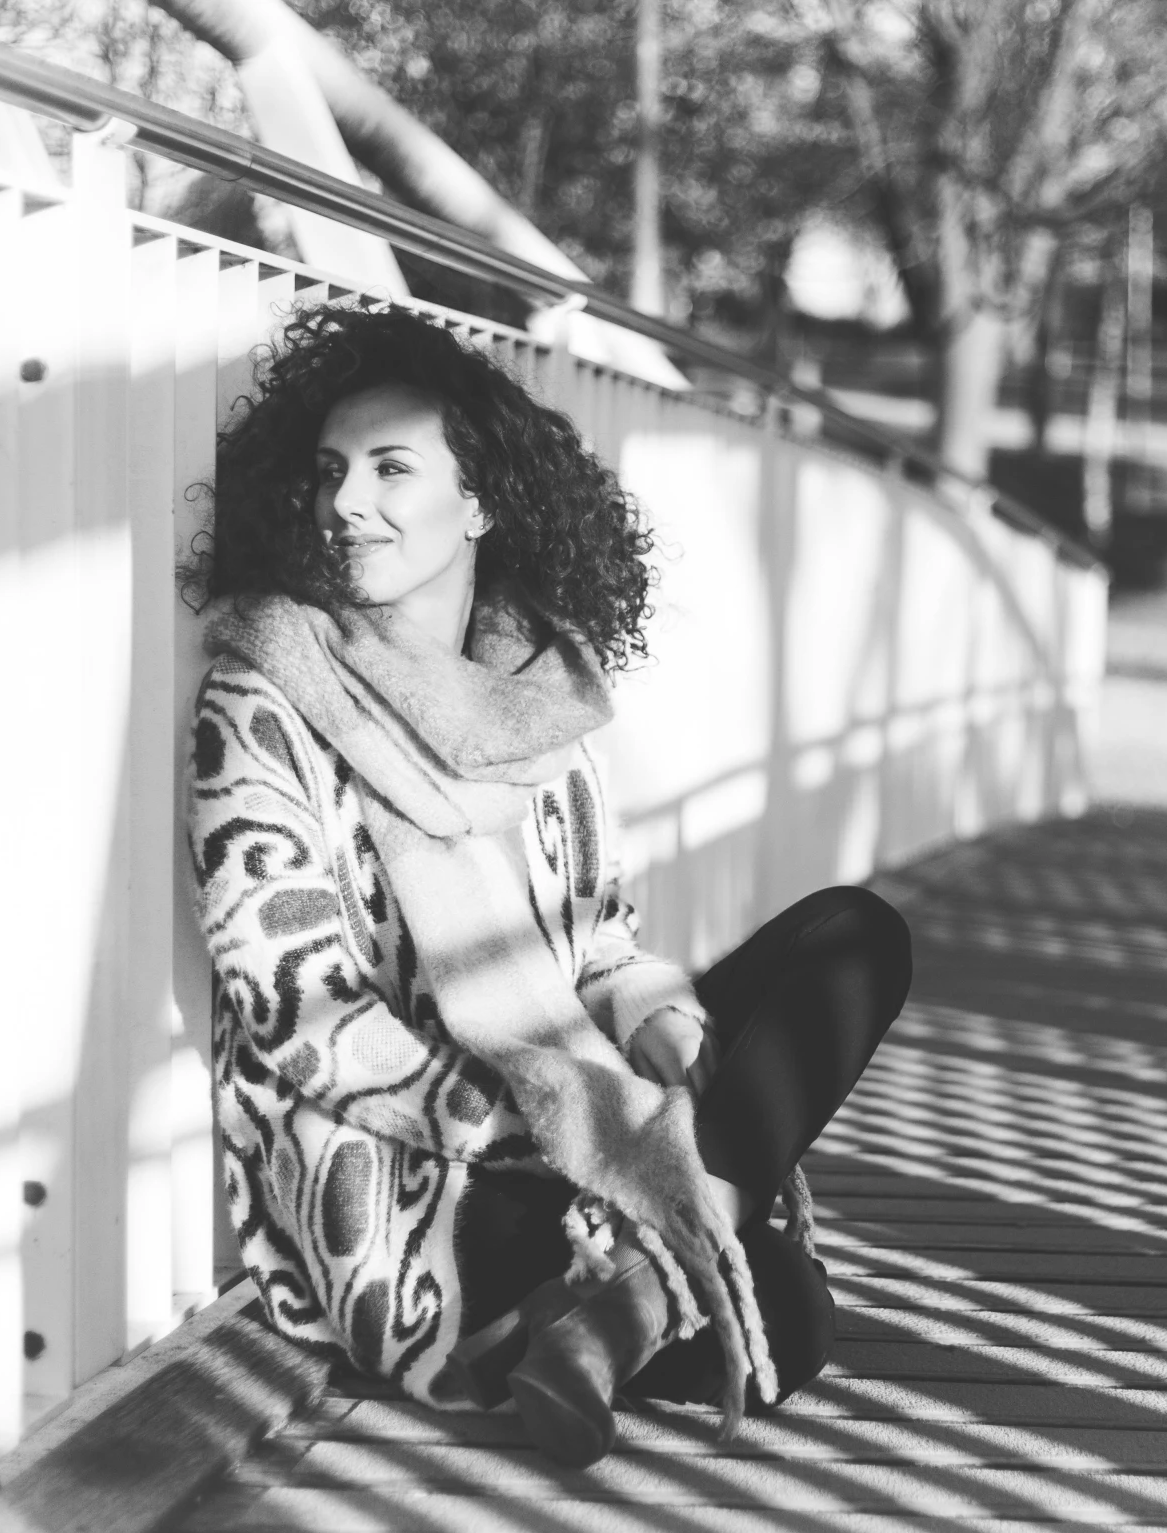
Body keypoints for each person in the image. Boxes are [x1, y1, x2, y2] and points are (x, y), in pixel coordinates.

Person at [183, 303, 910, 1466]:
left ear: (477, 502)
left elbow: (602, 948)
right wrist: (542, 1131)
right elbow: (299, 1016)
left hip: (574, 1114)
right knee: (771, 1300)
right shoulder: (262, 697)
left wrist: (661, 1027)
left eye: (389, 469)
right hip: (421, 1172)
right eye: (328, 474)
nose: (345, 504)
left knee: (852, 936)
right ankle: (626, 1289)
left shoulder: (539, 705)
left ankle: (616, 1305)